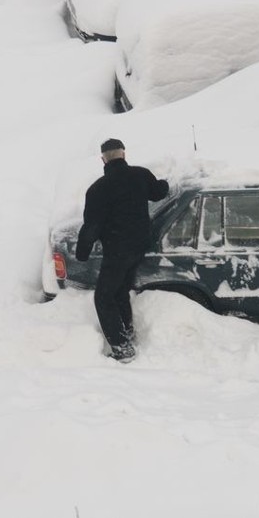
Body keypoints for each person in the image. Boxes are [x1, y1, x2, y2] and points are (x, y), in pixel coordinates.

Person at [75, 138, 169, 363]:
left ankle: (122, 348)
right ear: (124, 154)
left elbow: (92, 226)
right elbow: (158, 192)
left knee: (103, 296)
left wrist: (82, 252)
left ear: (103, 159)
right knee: (119, 291)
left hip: (117, 249)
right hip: (140, 245)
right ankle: (127, 334)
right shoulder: (141, 175)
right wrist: (166, 182)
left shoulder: (98, 189)